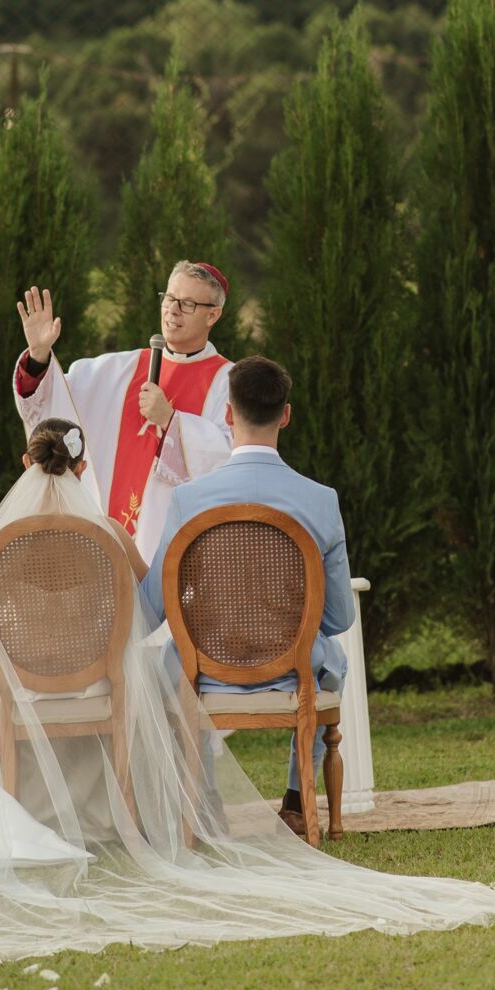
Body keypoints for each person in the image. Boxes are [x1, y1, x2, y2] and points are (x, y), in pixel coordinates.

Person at [0, 417, 495, 969]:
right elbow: (137, 622)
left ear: (25, 461)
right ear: (83, 468)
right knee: (141, 679)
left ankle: (18, 812)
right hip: (109, 693)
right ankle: (149, 814)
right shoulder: (111, 542)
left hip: (23, 698)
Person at [139, 356, 354, 835]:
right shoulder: (322, 500)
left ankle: (205, 806)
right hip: (292, 671)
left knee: (163, 666)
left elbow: (150, 609)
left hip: (204, 672)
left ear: (228, 415)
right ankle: (298, 801)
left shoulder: (188, 501)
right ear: (286, 415)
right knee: (333, 657)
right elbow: (338, 617)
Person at [14, 261, 235, 556]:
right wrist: (39, 355)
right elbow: (55, 403)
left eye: (187, 304)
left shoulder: (228, 382)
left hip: (179, 547)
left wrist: (171, 420)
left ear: (213, 314)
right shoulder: (118, 369)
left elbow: (228, 458)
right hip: (105, 531)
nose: (172, 310)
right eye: (169, 299)